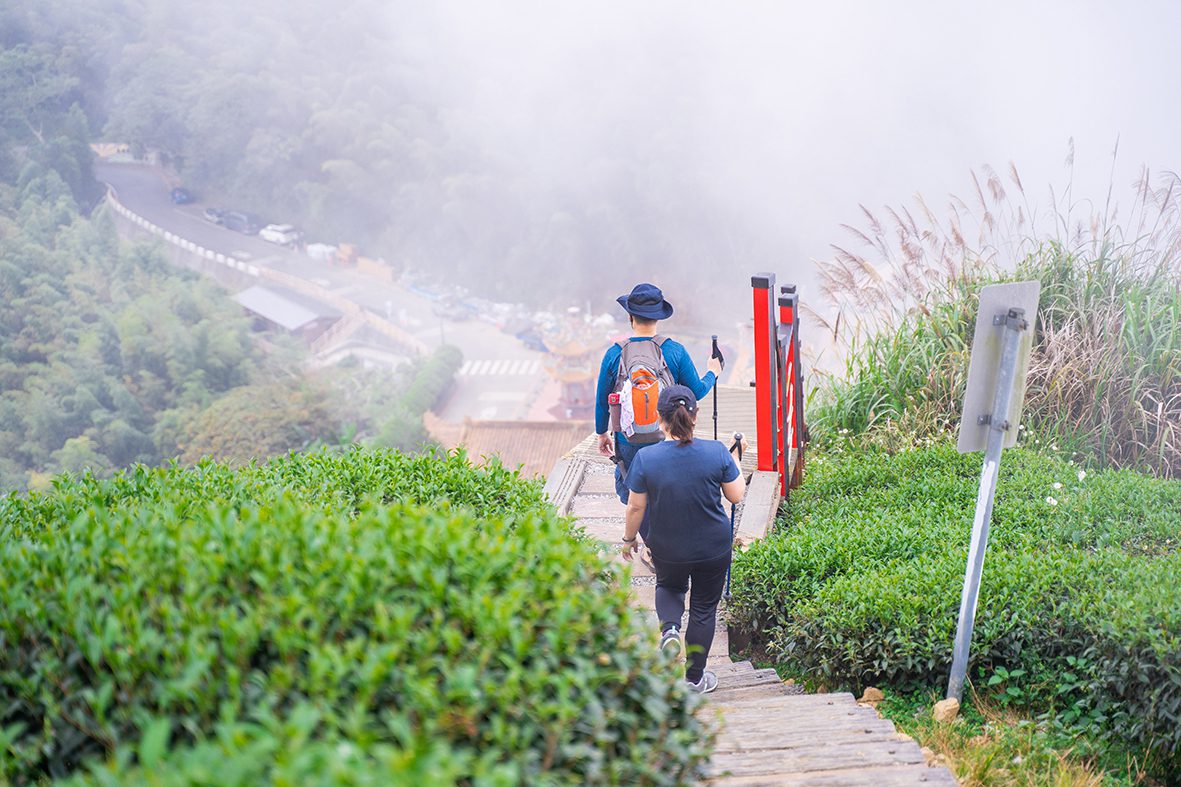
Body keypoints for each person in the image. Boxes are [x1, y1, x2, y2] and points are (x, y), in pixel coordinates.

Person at [620, 385, 746, 694]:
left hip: (668, 546)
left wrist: (628, 540)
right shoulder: (716, 451)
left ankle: (670, 630)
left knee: (669, 586)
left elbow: (636, 505)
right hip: (712, 548)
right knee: (703, 609)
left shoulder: (647, 458)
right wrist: (736, 461)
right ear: (695, 415)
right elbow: (736, 495)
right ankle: (694, 680)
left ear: (658, 417)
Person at [595, 283, 722, 543]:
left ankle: (652, 544)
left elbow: (601, 400)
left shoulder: (614, 354)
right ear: (658, 318)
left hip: (627, 439)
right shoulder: (674, 351)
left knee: (636, 493)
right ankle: (671, 540)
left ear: (630, 318)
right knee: (667, 487)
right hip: (666, 436)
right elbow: (695, 392)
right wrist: (713, 372)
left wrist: (601, 434)